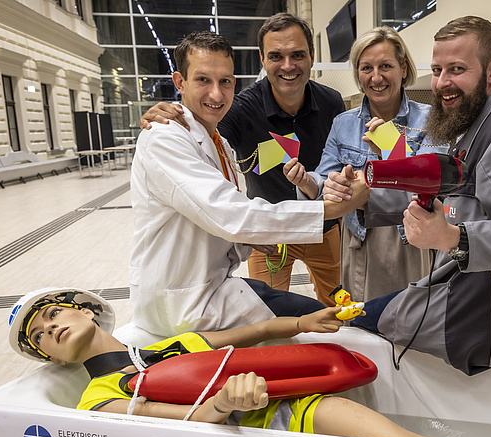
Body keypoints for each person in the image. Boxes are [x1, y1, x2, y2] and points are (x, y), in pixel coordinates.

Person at [328, 16, 491, 375]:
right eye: (438, 70)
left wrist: (452, 237)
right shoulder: (471, 126)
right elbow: (454, 195)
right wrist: (365, 198)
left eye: (457, 69)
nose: (442, 83)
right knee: (366, 314)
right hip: (468, 290)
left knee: (357, 323)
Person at [130, 31, 365, 338]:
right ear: (179, 83)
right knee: (313, 327)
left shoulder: (218, 141)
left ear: (311, 57)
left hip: (265, 242)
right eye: (203, 80)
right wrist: (332, 207)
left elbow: (214, 210)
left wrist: (248, 238)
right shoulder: (169, 136)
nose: (216, 94)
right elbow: (227, 212)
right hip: (184, 300)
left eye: (225, 81)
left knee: (332, 313)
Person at [6, 287, 440, 437]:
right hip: (241, 431)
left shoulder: (171, 346)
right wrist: (224, 402)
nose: (50, 330)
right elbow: (180, 420)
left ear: (85, 310)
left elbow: (252, 334)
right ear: (52, 358)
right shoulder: (97, 397)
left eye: (52, 315)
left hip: (289, 410)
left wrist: (305, 322)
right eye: (40, 338)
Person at [284, 27, 442, 303]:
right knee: (360, 322)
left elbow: (436, 185)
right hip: (358, 239)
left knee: (409, 323)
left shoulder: (430, 120)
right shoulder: (343, 123)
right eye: (366, 67)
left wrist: (393, 148)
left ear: (403, 68)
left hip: (410, 241)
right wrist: (308, 183)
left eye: (386, 66)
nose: (376, 77)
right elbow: (324, 182)